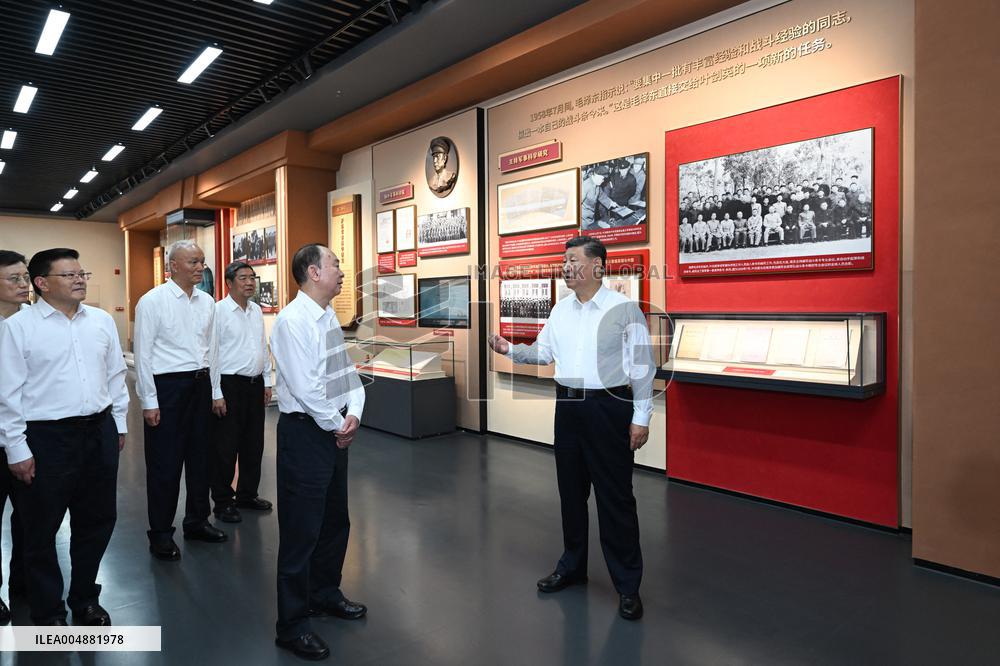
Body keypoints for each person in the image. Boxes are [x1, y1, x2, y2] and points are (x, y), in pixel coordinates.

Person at [488, 236, 654, 621]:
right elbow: (544, 353)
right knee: (570, 494)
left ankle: (628, 585)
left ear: (598, 266)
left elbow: (643, 368)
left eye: (573, 260)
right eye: (563, 260)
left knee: (616, 500)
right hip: (569, 406)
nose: (565, 267)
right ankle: (573, 566)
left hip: (609, 408)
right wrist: (510, 349)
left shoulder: (624, 309)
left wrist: (641, 418)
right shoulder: (560, 311)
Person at [0, 248, 127, 626]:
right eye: (69, 275)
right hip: (46, 438)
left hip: (98, 432)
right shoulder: (18, 328)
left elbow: (116, 376)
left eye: (81, 273)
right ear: (42, 283)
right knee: (40, 529)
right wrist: (17, 448)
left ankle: (85, 599)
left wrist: (117, 425)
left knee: (97, 521)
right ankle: (48, 610)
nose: (80, 280)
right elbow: (8, 394)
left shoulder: (101, 321)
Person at [270, 244, 366, 661]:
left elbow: (348, 376)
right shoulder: (292, 322)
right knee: (300, 532)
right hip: (306, 434)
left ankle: (324, 594)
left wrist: (354, 415)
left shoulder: (327, 317)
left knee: (333, 522)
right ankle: (291, 626)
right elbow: (307, 388)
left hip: (331, 430)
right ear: (313, 272)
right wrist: (336, 425)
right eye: (335, 264)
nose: (342, 271)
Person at [135, 240, 226, 562]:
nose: (200, 267)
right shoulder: (152, 302)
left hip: (201, 386)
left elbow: (212, 351)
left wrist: (216, 392)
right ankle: (160, 534)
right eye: (193, 262)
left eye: (202, 262)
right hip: (168, 388)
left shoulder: (207, 302)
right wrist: (149, 400)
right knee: (165, 465)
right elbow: (142, 355)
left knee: (202, 459)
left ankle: (197, 521)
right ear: (173, 266)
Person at [209, 261, 274, 525]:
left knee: (253, 444)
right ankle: (223, 502)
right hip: (229, 386)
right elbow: (211, 354)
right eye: (243, 278)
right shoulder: (218, 312)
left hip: (254, 384)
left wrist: (267, 381)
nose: (249, 282)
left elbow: (262, 345)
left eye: (252, 277)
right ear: (229, 283)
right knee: (225, 447)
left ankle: (247, 494)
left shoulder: (256, 310)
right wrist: (215, 392)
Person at [0, 250, 31, 622]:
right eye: (14, 279)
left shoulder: (32, 323)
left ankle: (23, 585)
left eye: (25, 277)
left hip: (27, 438)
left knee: (30, 519)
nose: (24, 284)